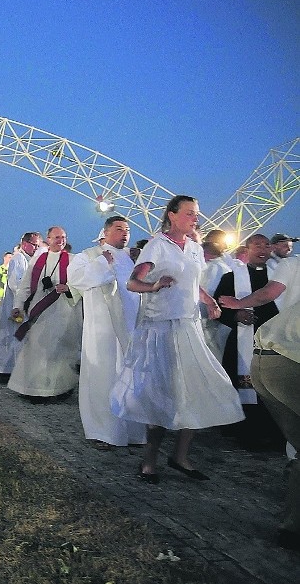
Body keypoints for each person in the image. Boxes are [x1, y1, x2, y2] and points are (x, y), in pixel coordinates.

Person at [110, 195, 244, 484]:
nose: (195, 218)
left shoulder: (195, 248)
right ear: (172, 215)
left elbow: (193, 284)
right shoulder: (158, 245)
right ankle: (149, 462)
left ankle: (180, 456)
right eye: (189, 213)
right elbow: (133, 282)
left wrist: (209, 301)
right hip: (161, 328)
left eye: (196, 214)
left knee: (194, 388)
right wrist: (155, 285)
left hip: (189, 326)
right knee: (160, 393)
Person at [219, 256, 300, 550]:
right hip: (290, 363)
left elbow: (270, 294)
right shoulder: (292, 264)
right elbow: (269, 293)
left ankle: (291, 529)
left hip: (265, 359)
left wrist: (240, 303)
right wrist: (238, 306)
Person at [69, 216, 146, 449]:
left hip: (131, 328)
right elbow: (76, 279)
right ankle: (103, 432)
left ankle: (132, 432)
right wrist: (103, 262)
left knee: (129, 378)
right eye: (119, 229)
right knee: (103, 377)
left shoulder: (133, 258)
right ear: (105, 232)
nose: (124, 233)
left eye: (128, 230)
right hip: (102, 329)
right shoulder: (89, 256)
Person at [213, 234, 282, 448]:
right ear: (247, 249)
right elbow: (218, 306)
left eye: (265, 245)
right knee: (243, 383)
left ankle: (275, 432)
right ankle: (244, 431)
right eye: (257, 245)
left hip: (275, 340)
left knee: (274, 385)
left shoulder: (281, 277)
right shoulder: (231, 277)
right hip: (243, 339)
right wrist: (235, 315)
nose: (262, 249)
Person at [7, 226, 82, 400]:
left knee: (58, 352)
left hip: (63, 311)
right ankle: (33, 389)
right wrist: (17, 305)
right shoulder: (38, 260)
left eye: (63, 237)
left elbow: (80, 284)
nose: (60, 240)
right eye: (56, 237)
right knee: (37, 349)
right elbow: (25, 285)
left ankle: (58, 389)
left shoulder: (73, 259)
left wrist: (69, 287)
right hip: (40, 311)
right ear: (48, 239)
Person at [0, 232, 41, 378]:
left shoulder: (31, 259)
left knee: (19, 336)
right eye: (34, 244)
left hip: (26, 303)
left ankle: (14, 369)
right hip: (17, 304)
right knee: (11, 335)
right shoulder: (18, 259)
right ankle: (3, 370)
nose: (36, 248)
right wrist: (27, 297)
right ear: (25, 243)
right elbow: (15, 283)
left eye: (38, 245)